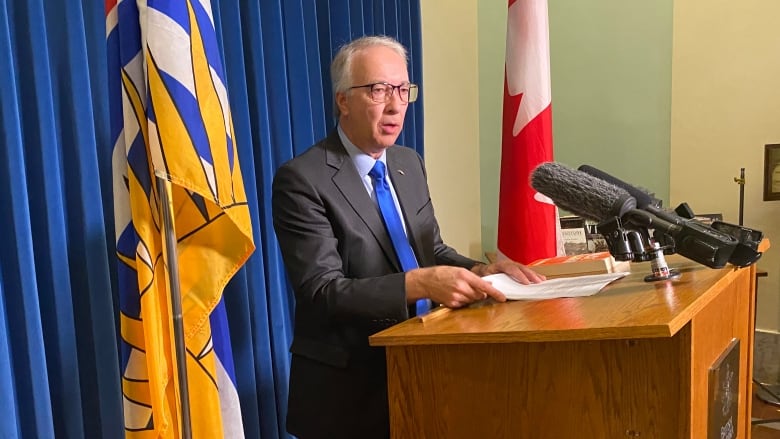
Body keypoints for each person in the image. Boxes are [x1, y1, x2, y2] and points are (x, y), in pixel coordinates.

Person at [272, 35, 545, 439]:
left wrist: (484, 270)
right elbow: (322, 291)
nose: (396, 105)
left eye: (402, 89)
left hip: (425, 369)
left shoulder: (407, 162)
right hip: (348, 393)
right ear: (343, 100)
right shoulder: (302, 179)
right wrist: (417, 283)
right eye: (379, 90)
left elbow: (431, 251)